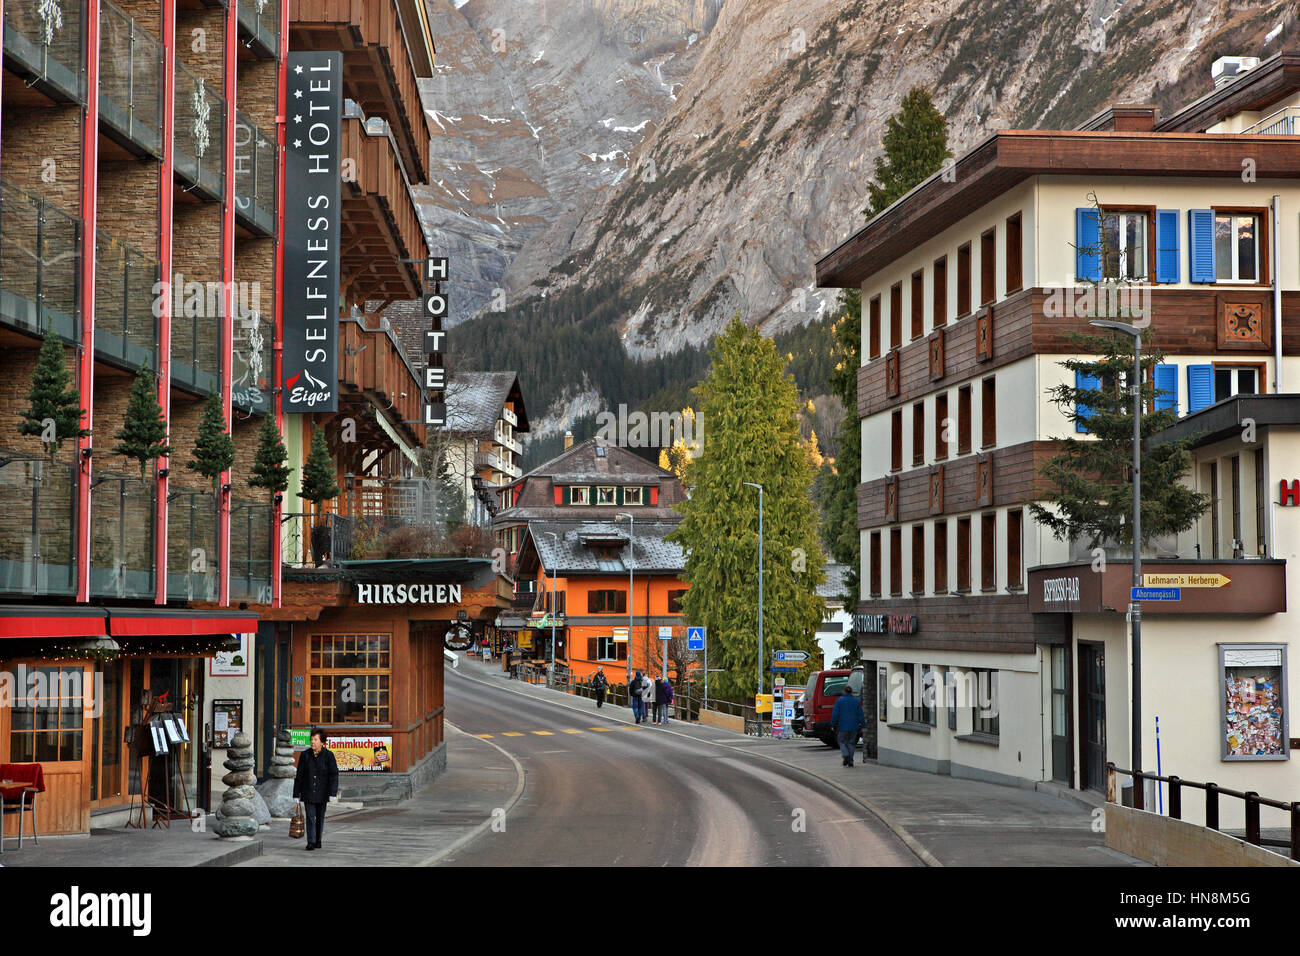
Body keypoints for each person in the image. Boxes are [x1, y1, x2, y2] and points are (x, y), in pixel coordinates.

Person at [293, 728, 340, 850]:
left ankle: (318, 839)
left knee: (319, 817)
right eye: (311, 739)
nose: (312, 742)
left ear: (322, 742)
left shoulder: (329, 755)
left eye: (315, 739)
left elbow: (334, 775)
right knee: (310, 817)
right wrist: (296, 794)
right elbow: (299, 776)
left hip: (322, 792)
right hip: (308, 791)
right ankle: (311, 842)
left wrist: (333, 793)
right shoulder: (305, 755)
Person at [830, 684, 866, 767]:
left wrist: (833, 724)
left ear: (844, 691)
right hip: (854, 727)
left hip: (842, 726)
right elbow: (861, 714)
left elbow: (835, 714)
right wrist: (863, 726)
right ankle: (850, 760)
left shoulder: (839, 701)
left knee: (841, 741)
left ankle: (846, 755)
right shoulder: (856, 701)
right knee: (851, 743)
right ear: (851, 692)